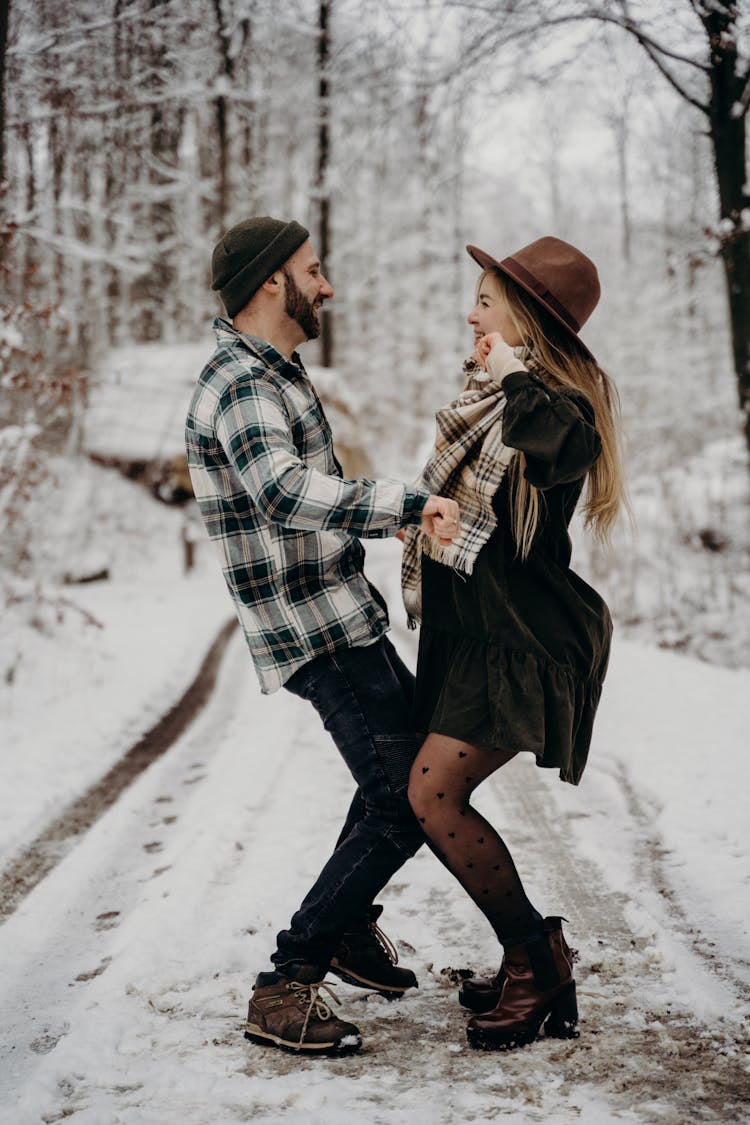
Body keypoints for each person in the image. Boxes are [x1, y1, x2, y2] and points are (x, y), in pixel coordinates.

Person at [185, 216, 459, 1056]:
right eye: (314, 269)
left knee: (406, 781)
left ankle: (344, 928)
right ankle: (286, 981)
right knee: (406, 797)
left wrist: (387, 531)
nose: (327, 283)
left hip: (342, 611)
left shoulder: (276, 371)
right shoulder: (239, 383)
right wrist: (405, 504)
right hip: (315, 630)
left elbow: (311, 498)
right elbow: (282, 492)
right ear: (274, 280)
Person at [402, 236, 627, 1051]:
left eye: (488, 302)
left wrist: (513, 375)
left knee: (432, 795)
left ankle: (535, 962)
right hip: (478, 636)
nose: (472, 314)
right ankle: (539, 951)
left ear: (527, 321)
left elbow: (571, 448)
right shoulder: (498, 400)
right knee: (428, 792)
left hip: (526, 640)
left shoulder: (552, 403)